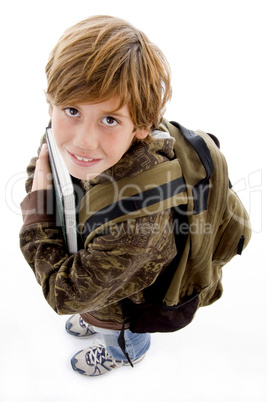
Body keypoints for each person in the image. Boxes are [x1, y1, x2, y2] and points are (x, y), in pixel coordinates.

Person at [20, 15, 177, 376]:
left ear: (141, 127)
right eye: (72, 110)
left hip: (126, 304)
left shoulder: (136, 223)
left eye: (109, 120)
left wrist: (37, 213)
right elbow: (49, 161)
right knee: (94, 300)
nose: (83, 141)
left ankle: (124, 353)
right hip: (102, 278)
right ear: (52, 104)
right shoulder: (78, 143)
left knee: (118, 330)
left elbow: (65, 295)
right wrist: (42, 176)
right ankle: (98, 317)